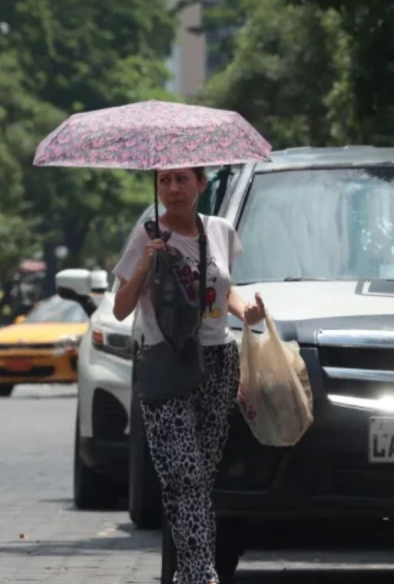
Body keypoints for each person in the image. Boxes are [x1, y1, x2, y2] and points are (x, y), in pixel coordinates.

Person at [112, 166, 265, 584]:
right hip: (167, 362)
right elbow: (121, 308)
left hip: (218, 363)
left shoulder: (220, 230)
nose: (173, 189)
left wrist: (246, 312)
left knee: (198, 480)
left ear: (201, 183)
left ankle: (186, 572)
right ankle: (200, 575)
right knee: (185, 476)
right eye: (164, 180)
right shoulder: (146, 236)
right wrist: (145, 265)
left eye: (182, 179)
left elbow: (224, 288)